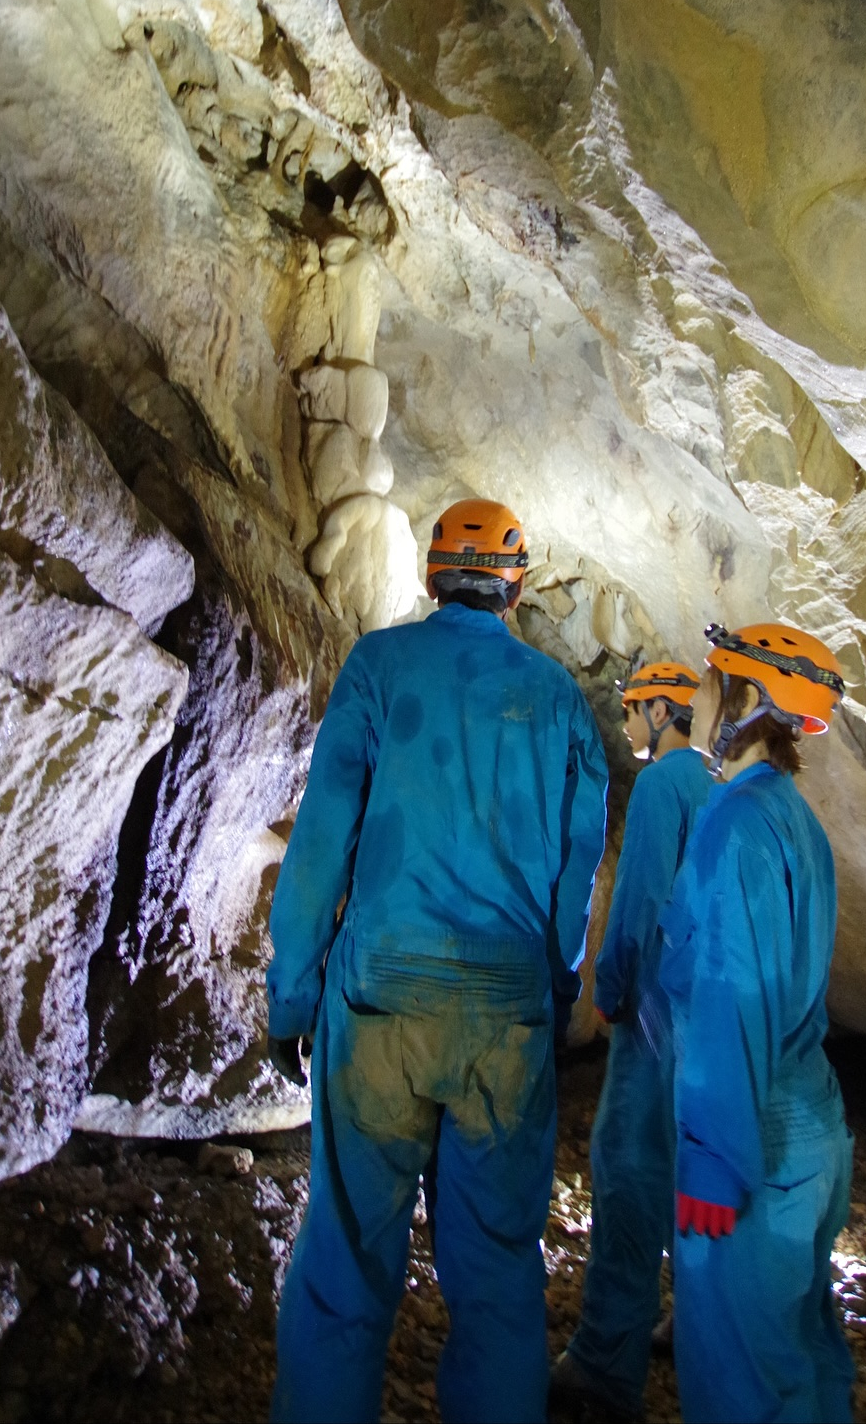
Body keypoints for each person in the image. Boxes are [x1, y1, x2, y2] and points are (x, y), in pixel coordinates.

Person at [266, 498, 610, 1424]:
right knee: (498, 1274)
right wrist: (553, 992)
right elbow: (576, 876)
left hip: (379, 1001)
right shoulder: (558, 701)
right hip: (505, 1013)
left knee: (344, 1263)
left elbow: (320, 847)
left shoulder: (378, 667)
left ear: (431, 576)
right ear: (519, 588)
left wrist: (291, 997)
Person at [661, 622, 856, 1424]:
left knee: (742, 1382)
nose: (701, 696)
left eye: (713, 681)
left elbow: (730, 997)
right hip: (810, 1133)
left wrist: (713, 1158)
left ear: (747, 701)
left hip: (752, 1143)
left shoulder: (735, 826)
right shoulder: (796, 823)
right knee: (802, 1357)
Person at [551, 661, 710, 1420]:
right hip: (707, 1022)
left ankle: (604, 1364)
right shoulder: (721, 788)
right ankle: (699, 1322)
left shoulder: (661, 786)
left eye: (634, 708)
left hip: (653, 1017)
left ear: (662, 710)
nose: (626, 722)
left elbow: (640, 898)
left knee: (626, 1176)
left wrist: (609, 988)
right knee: (693, 1177)